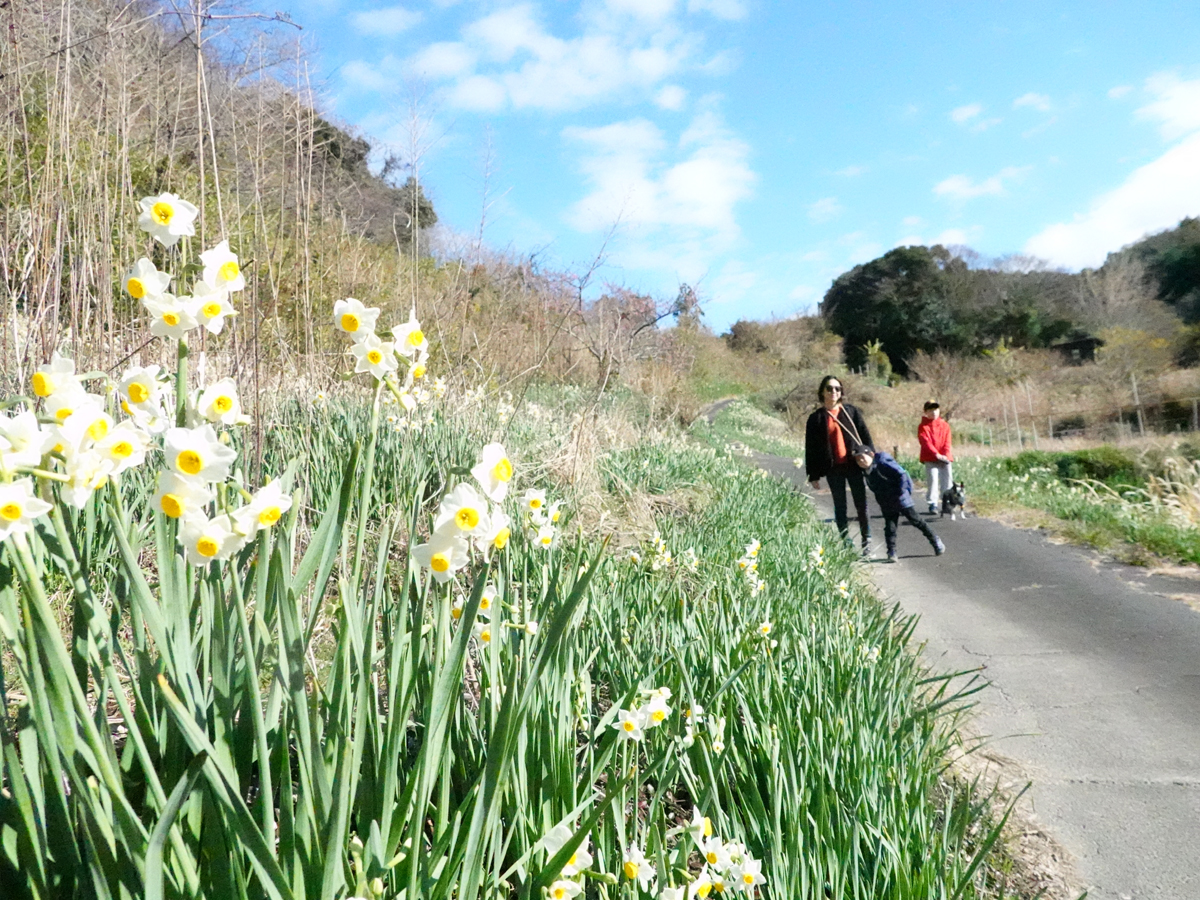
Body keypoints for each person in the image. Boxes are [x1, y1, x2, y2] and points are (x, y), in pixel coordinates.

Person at [805, 375, 873, 553]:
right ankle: (846, 542)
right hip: (833, 468)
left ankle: (867, 541)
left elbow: (865, 436)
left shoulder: (851, 412)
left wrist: (870, 457)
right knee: (840, 506)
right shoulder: (816, 418)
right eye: (829, 388)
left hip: (854, 464)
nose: (834, 392)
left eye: (837, 388)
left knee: (861, 504)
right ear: (822, 392)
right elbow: (810, 448)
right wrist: (813, 475)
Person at [853, 445, 945, 563]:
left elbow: (901, 474)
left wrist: (902, 492)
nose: (861, 461)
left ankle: (935, 541)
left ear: (870, 454)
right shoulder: (866, 470)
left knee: (916, 520)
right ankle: (891, 552)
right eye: (858, 460)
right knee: (890, 526)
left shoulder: (882, 462)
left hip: (900, 497)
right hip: (886, 500)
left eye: (862, 457)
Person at [918, 400, 953, 515]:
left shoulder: (945, 425)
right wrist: (936, 454)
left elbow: (947, 442)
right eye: (931, 410)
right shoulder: (923, 426)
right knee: (933, 480)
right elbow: (925, 442)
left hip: (944, 458)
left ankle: (946, 503)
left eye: (936, 410)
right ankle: (933, 504)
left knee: (947, 481)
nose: (934, 412)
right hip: (930, 458)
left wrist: (946, 456)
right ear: (926, 412)